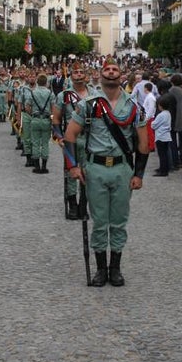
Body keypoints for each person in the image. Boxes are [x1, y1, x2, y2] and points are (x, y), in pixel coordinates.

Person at [63, 56, 150, 287]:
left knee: (119, 221)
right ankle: (101, 269)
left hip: (122, 168)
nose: (111, 72)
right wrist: (73, 166)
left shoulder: (133, 106)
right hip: (96, 169)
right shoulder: (88, 105)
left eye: (115, 69)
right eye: (107, 69)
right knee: (100, 221)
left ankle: (116, 268)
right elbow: (70, 135)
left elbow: (143, 144)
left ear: (121, 75)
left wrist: (139, 174)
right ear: (101, 75)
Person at [53, 65, 89, 218]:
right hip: (70, 140)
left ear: (86, 75)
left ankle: (83, 205)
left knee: (88, 173)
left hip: (90, 140)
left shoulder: (95, 94)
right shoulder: (63, 95)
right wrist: (59, 137)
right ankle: (73, 205)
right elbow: (56, 119)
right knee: (70, 173)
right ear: (71, 76)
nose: (79, 74)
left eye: (81, 72)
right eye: (76, 72)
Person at [26, 74, 54, 174]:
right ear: (46, 82)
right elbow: (53, 108)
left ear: (37, 82)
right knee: (45, 143)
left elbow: (27, 107)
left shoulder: (33, 92)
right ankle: (44, 166)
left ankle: (37, 166)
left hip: (36, 119)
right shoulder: (50, 93)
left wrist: (33, 114)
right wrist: (52, 118)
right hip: (46, 119)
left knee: (36, 143)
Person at [151, 92, 174, 177]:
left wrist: (152, 123)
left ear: (160, 106)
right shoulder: (168, 114)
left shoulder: (161, 115)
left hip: (160, 136)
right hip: (166, 136)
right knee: (164, 153)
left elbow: (154, 125)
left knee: (162, 155)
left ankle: (163, 170)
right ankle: (164, 168)